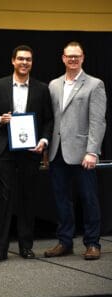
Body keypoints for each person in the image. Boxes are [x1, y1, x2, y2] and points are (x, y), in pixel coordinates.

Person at [0, 45, 54, 262]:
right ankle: (1, 249)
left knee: (27, 198)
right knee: (4, 200)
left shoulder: (42, 89)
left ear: (32, 63)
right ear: (13, 61)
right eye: (21, 59)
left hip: (30, 150)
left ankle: (26, 246)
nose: (25, 63)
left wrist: (43, 141)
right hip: (5, 149)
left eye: (29, 60)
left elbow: (49, 119)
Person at [44, 41, 107, 260]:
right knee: (62, 199)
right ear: (62, 58)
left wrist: (92, 151)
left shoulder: (94, 84)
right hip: (57, 152)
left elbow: (98, 121)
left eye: (77, 56)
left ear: (83, 58)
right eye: (69, 56)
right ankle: (65, 241)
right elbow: (51, 119)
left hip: (83, 153)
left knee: (88, 198)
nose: (73, 59)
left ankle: (92, 243)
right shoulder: (53, 84)